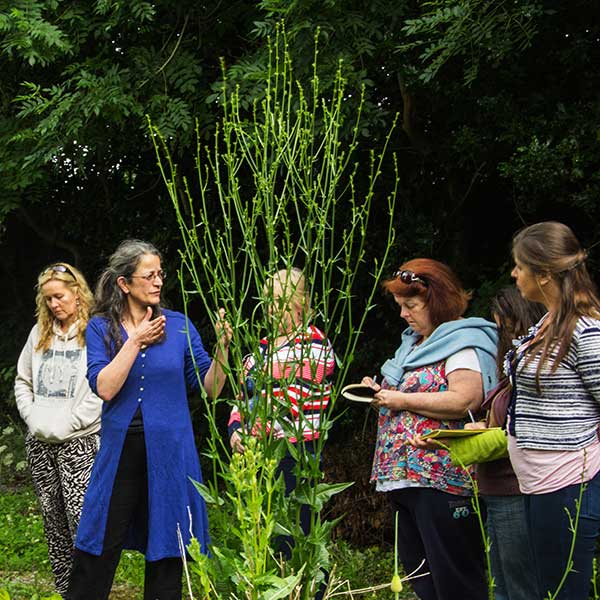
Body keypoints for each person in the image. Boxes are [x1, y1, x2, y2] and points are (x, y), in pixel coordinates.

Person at [66, 239, 231, 600]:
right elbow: (105, 387)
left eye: (160, 274)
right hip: (121, 450)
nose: (158, 282)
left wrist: (222, 348)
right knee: (100, 539)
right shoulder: (100, 328)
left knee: (169, 541)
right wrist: (135, 341)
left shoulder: (180, 325)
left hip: (171, 451)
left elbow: (210, 388)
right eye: (148, 275)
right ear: (125, 283)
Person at [363, 258, 498, 600]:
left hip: (442, 480)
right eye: (400, 306)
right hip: (404, 478)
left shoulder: (461, 341)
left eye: (411, 306)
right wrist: (381, 392)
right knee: (424, 579)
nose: (404, 314)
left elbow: (465, 399)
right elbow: (404, 394)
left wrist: (401, 400)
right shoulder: (412, 345)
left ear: (435, 301)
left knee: (455, 578)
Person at [228, 268, 335, 597]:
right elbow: (243, 397)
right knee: (264, 534)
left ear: (302, 303)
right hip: (260, 455)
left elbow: (294, 395)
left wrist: (254, 424)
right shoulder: (259, 349)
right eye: (269, 302)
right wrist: (236, 428)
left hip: (296, 453)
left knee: (298, 534)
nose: (272, 309)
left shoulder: (315, 344)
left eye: (281, 302)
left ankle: (307, 591)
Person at [507, 221, 600, 599]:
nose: (514, 274)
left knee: (563, 592)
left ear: (544, 274)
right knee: (550, 589)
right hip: (539, 483)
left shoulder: (586, 330)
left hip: (568, 484)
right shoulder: (548, 323)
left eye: (519, 266)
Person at [444, 287, 545, 600]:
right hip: (494, 490)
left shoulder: (534, 371)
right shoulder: (508, 376)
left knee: (520, 587)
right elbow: (502, 427)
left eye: (507, 327)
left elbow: (517, 434)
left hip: (514, 489)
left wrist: (457, 445)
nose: (504, 337)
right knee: (501, 586)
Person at [14, 263, 102, 597]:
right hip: (40, 444)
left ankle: (90, 591)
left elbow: (103, 387)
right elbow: (23, 381)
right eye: (48, 298)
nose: (54, 305)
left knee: (84, 526)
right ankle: (68, 593)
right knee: (54, 526)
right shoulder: (39, 333)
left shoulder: (95, 332)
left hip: (80, 444)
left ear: (77, 293)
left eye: (59, 296)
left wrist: (73, 421)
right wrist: (33, 417)